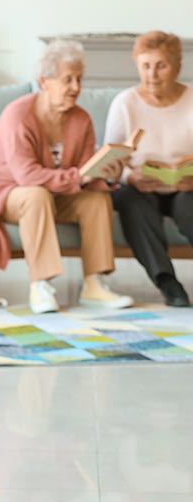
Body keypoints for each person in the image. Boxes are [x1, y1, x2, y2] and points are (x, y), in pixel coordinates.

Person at [0, 40, 133, 314]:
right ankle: (40, 284)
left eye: (79, 79)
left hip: (55, 193)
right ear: (44, 81)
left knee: (96, 200)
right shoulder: (18, 115)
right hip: (6, 191)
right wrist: (80, 176)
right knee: (35, 194)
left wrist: (108, 175)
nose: (76, 88)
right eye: (68, 80)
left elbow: (84, 174)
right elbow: (26, 175)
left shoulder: (82, 119)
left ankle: (94, 283)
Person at [105, 31, 193, 307]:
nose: (152, 74)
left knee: (189, 206)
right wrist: (130, 176)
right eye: (145, 66)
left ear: (177, 67)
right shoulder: (124, 103)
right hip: (140, 187)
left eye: (161, 66)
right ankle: (168, 282)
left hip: (185, 187)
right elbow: (109, 160)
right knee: (133, 202)